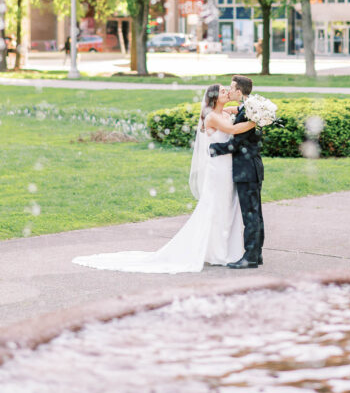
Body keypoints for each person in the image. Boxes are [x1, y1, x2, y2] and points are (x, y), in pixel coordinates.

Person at [72, 85, 253, 273]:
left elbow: (236, 110)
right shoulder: (212, 117)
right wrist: (257, 121)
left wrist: (249, 107)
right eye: (223, 91)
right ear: (215, 99)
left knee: (227, 207)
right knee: (217, 207)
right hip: (218, 170)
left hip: (228, 167)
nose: (227, 93)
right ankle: (217, 253)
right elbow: (232, 129)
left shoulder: (223, 112)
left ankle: (223, 250)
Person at [209, 75, 265, 269]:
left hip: (246, 169)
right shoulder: (248, 109)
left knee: (250, 214)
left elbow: (235, 144)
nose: (229, 90)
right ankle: (256, 253)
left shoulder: (249, 114)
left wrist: (214, 148)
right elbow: (236, 113)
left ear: (239, 92)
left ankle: (250, 256)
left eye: (231, 88)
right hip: (252, 167)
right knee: (255, 213)